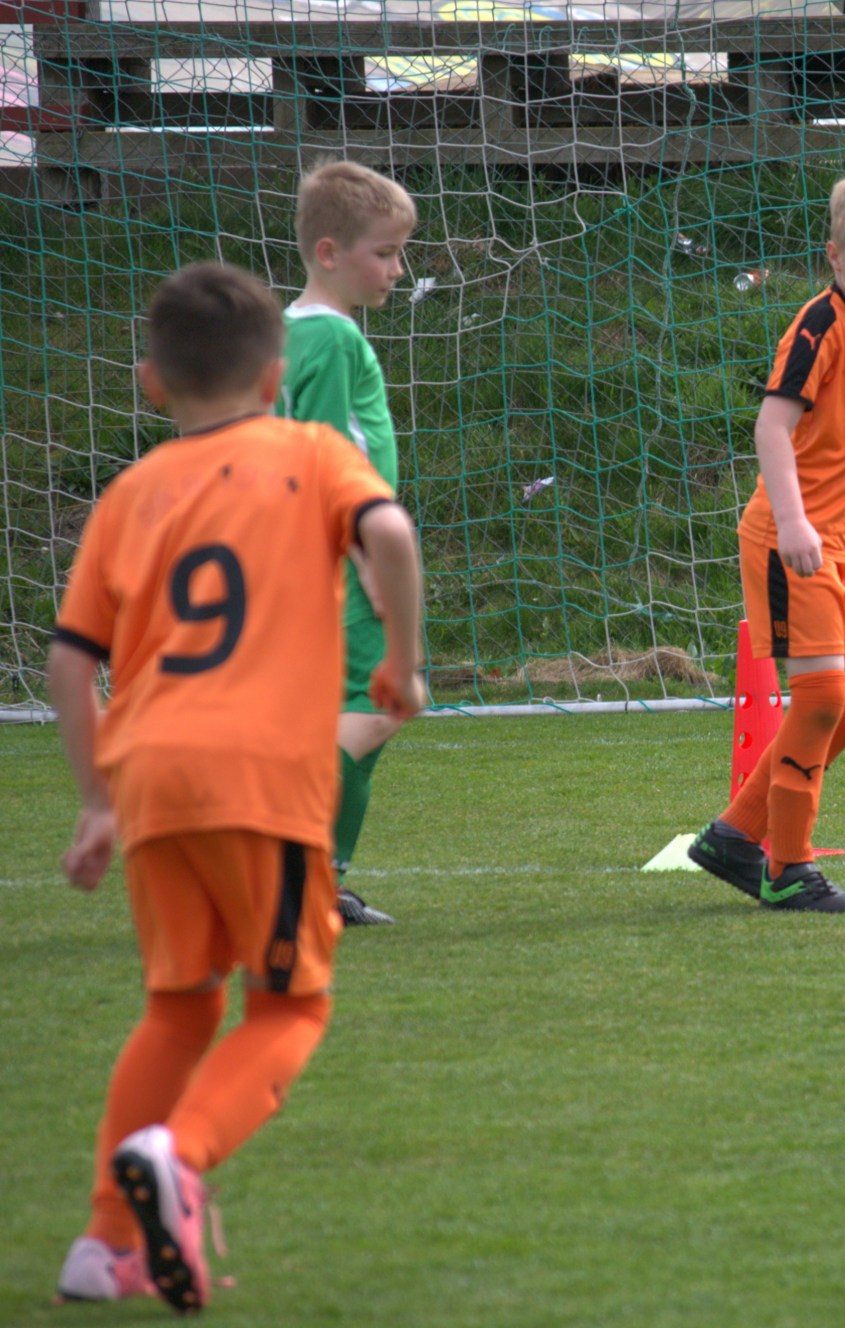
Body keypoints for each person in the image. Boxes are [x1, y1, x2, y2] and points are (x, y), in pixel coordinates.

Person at [49, 263, 427, 1308]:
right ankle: (180, 1153)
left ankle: (101, 1243)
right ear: (274, 379)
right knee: (288, 1009)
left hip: (150, 775)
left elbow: (71, 665)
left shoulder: (130, 495)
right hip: (261, 774)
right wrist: (402, 663)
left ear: (150, 384)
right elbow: (391, 533)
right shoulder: (310, 452)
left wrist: (95, 800)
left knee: (178, 1008)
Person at [687, 170, 845, 912]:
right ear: (835, 257)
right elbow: (772, 426)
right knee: (821, 698)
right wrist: (792, 521)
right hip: (791, 540)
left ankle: (733, 835)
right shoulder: (819, 327)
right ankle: (787, 868)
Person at [277, 159, 420, 927]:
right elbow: (331, 456)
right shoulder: (332, 339)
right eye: (385, 253)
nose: (398, 270)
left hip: (300, 556)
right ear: (329, 253)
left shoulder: (285, 332)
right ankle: (295, 870)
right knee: (380, 704)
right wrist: (368, 557)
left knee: (345, 712)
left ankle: (309, 878)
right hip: (342, 559)